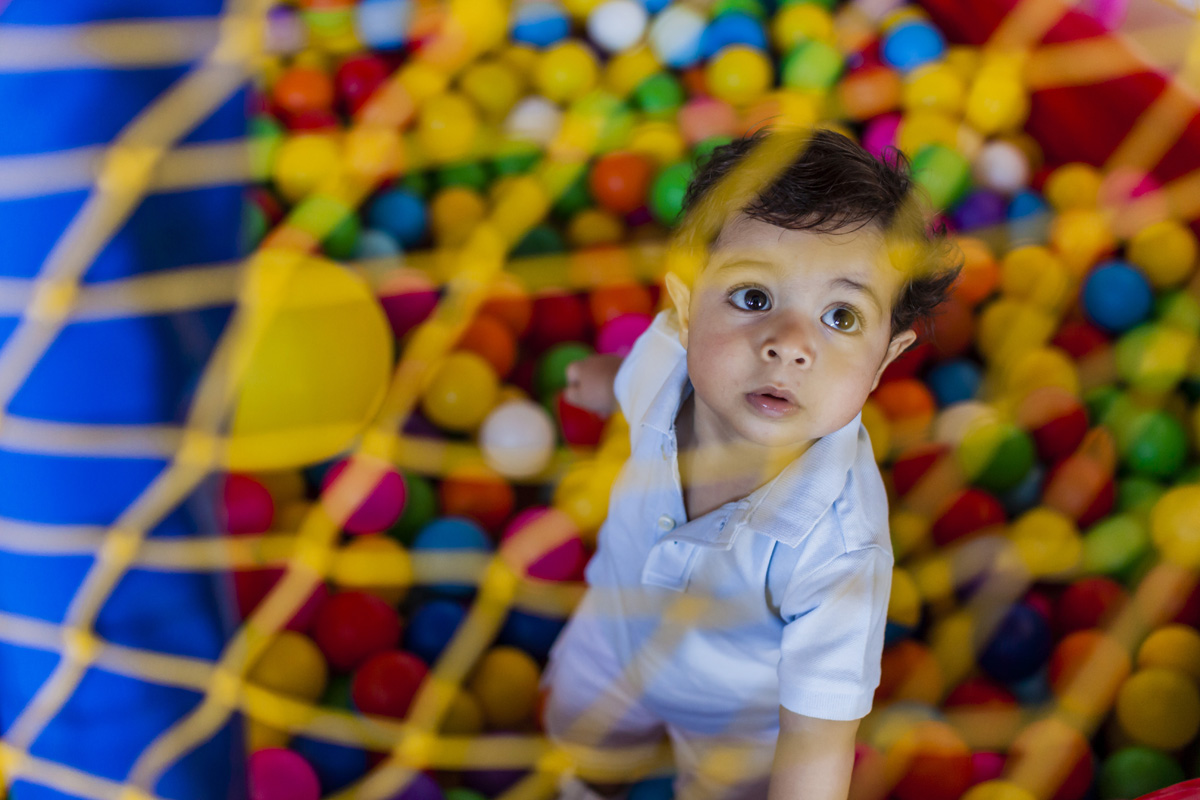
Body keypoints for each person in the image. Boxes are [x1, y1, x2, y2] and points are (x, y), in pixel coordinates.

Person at [540, 127, 962, 800]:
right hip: (613, 638)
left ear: (886, 358)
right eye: (755, 298)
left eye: (841, 317)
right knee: (585, 739)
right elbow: (638, 373)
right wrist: (601, 381)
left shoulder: (841, 549)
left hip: (740, 729)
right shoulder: (662, 363)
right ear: (684, 310)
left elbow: (817, 746)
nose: (789, 345)